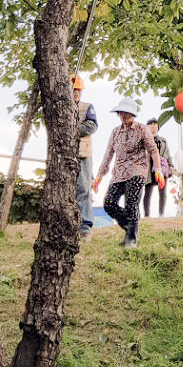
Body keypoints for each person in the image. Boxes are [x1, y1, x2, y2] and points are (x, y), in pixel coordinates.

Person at [92, 97, 163, 249]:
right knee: (109, 203)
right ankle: (131, 228)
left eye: (125, 112)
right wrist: (99, 175)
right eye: (120, 112)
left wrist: (158, 169)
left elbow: (153, 150)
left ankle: (131, 240)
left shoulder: (142, 129)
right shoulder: (115, 132)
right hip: (118, 174)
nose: (122, 115)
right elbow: (108, 154)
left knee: (132, 205)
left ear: (132, 113)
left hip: (137, 171)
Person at [72, 73, 97, 242]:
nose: (76, 93)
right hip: (63, 154)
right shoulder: (58, 108)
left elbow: (92, 125)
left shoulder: (86, 107)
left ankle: (85, 227)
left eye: (78, 90)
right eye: (73, 89)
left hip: (82, 153)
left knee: (83, 189)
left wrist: (72, 130)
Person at [143, 118, 172, 218]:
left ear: (158, 127)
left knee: (162, 192)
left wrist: (171, 166)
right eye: (150, 124)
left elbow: (167, 154)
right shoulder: (143, 140)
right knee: (147, 193)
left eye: (155, 124)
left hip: (161, 168)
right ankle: (147, 215)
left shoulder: (163, 140)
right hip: (148, 168)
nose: (153, 126)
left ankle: (161, 214)